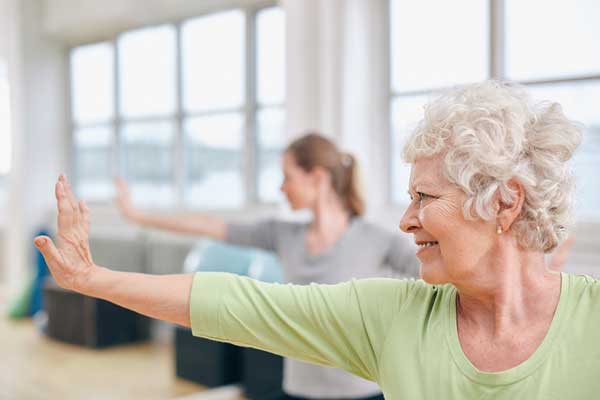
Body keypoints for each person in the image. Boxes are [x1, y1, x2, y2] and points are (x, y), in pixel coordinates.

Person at [34, 81, 598, 398]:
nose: (407, 219)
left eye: (426, 198)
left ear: (505, 202)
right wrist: (93, 278)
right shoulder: (392, 315)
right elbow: (239, 302)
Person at [115, 133, 419, 400]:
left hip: (362, 391)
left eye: (288, 176)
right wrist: (138, 216)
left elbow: (437, 284)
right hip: (299, 388)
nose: (281, 188)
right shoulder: (282, 235)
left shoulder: (379, 240)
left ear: (316, 177)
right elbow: (209, 225)